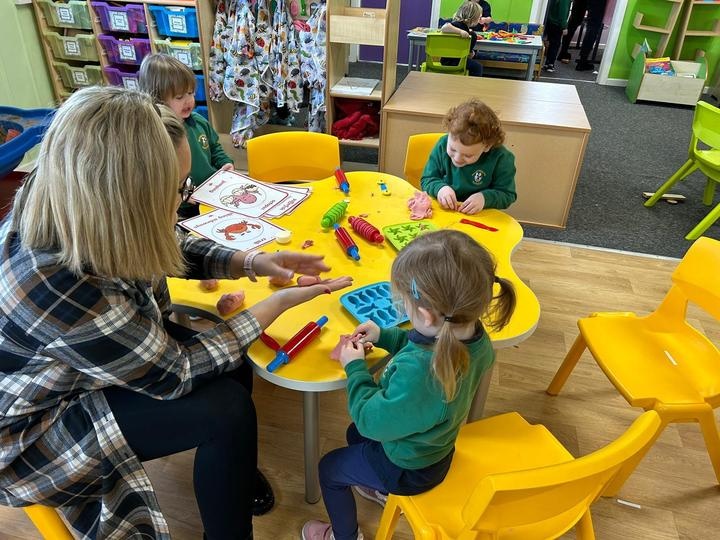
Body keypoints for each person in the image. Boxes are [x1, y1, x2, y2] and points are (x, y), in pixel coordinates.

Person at [0, 86, 352, 540]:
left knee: (231, 368)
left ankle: (233, 472)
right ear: (124, 201)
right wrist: (274, 305)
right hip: (30, 434)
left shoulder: (74, 202)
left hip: (80, 365)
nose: (182, 203)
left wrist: (252, 261)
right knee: (226, 408)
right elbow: (177, 373)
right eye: (177, 191)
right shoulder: (61, 285)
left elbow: (163, 243)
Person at [301, 229, 517, 540]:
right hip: (433, 447)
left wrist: (355, 368)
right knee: (353, 434)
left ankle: (344, 535)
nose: (401, 309)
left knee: (330, 468)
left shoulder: (423, 373)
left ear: (427, 316)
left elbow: (370, 420)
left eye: (404, 305)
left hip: (408, 467)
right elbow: (419, 344)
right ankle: (380, 490)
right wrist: (384, 335)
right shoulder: (471, 338)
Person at [139, 53, 234, 220]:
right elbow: (158, 179)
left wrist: (225, 162)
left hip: (214, 194)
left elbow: (214, 148)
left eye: (191, 93)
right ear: (157, 100)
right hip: (184, 207)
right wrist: (183, 194)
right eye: (179, 97)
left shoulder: (198, 121)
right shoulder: (158, 137)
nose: (189, 101)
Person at [420, 99, 517, 214]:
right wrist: (440, 189)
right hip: (445, 212)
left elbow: (507, 194)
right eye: (452, 149)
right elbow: (427, 179)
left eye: (468, 155)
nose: (457, 159)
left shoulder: (502, 158)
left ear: (487, 146)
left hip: (480, 214)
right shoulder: (442, 144)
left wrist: (484, 198)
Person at [440, 1, 484, 77]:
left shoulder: (469, 32)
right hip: (452, 61)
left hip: (449, 60)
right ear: (473, 17)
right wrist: (460, 32)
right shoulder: (458, 25)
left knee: (475, 65)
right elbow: (444, 27)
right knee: (477, 67)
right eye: (479, 17)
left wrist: (471, 53)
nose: (480, 20)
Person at [543, 0, 571, 72]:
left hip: (550, 22)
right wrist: (564, 27)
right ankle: (550, 64)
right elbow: (563, 12)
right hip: (557, 24)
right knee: (555, 45)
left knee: (550, 44)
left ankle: (547, 63)